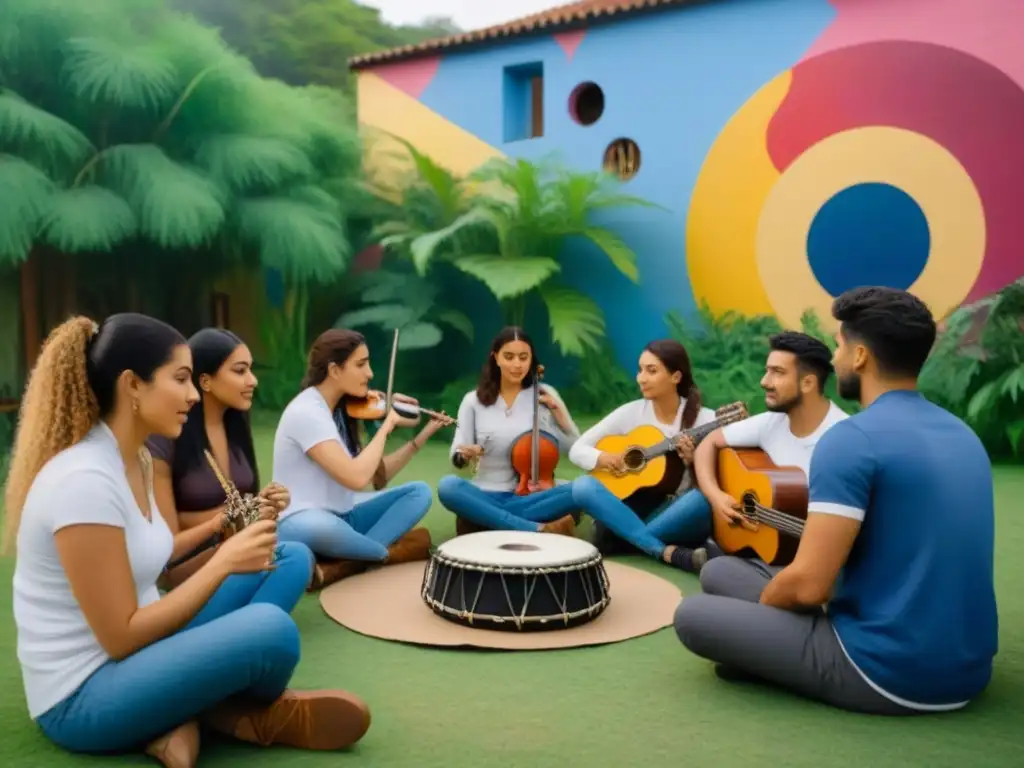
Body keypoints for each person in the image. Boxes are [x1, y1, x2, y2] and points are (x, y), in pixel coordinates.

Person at [6, 315, 371, 768]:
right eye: (180, 379)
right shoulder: (83, 481)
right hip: (83, 696)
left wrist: (226, 530)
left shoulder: (133, 459)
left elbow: (151, 555)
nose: (194, 395)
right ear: (132, 386)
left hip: (146, 651)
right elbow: (120, 637)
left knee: (287, 555)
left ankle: (187, 711)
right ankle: (231, 714)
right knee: (270, 630)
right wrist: (223, 562)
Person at [674, 287, 999, 715]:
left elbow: (811, 586)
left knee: (693, 616)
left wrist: (772, 617)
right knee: (719, 571)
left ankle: (766, 657)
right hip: (970, 667)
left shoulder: (850, 439)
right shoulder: (964, 435)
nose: (835, 355)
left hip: (887, 671)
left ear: (861, 356)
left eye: (840, 343)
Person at [272, 328, 446, 589]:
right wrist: (386, 426)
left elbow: (378, 474)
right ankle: (377, 553)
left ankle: (354, 556)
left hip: (345, 513)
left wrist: (405, 415)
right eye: (361, 364)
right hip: (302, 519)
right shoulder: (307, 412)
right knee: (326, 530)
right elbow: (356, 477)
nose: (370, 374)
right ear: (334, 370)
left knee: (418, 493)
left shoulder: (344, 408)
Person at [148, 328, 297, 588]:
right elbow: (168, 542)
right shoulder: (167, 437)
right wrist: (236, 514)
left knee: (298, 556)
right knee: (289, 555)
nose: (252, 380)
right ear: (205, 381)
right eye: (240, 371)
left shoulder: (236, 428)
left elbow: (241, 504)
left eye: (250, 370)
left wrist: (267, 502)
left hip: (237, 543)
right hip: (186, 563)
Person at [569, 340, 734, 573]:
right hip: (630, 506)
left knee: (701, 499)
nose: (641, 378)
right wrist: (606, 459)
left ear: (676, 377)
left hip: (670, 512)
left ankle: (621, 535)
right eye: (640, 369)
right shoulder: (632, 412)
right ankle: (665, 550)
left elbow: (721, 480)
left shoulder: (705, 420)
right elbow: (578, 449)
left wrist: (693, 461)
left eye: (652, 371)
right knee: (583, 486)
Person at [691, 330, 848, 565]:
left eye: (778, 372)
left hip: (812, 562)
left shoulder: (843, 440)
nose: (765, 382)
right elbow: (709, 442)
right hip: (769, 550)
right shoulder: (771, 422)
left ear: (808, 383)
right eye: (767, 370)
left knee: (716, 572)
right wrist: (716, 497)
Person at [436, 326, 581, 536]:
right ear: (495, 358)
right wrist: (464, 456)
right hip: (487, 492)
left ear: (532, 359)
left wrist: (561, 419)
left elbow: (575, 451)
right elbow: (456, 456)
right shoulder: (472, 401)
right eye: (509, 356)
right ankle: (536, 528)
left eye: (523, 357)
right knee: (448, 487)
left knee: (579, 489)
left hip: (531, 495)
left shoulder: (545, 394)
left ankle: (494, 519)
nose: (517, 364)